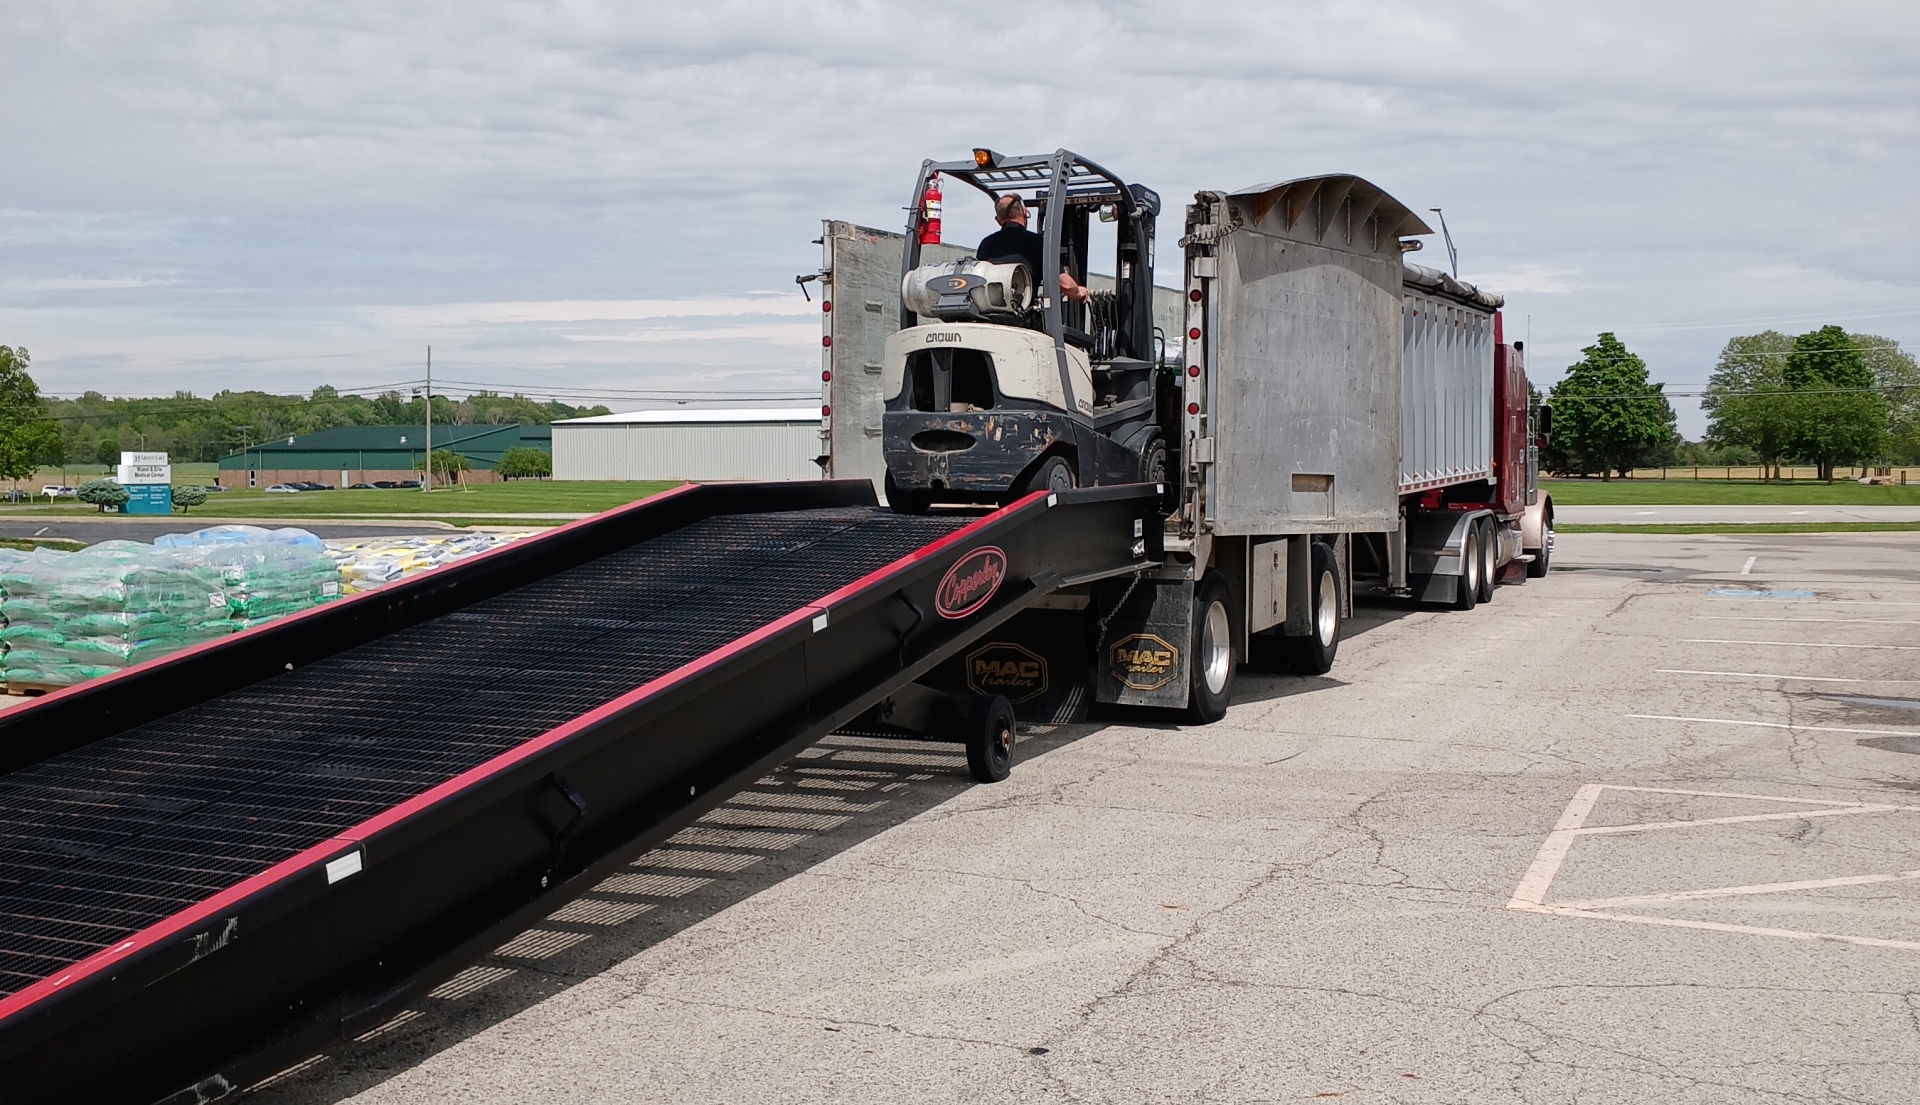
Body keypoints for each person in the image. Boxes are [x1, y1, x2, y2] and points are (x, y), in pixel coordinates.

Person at [976, 195, 1091, 304]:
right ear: (1024, 213)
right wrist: (1078, 292)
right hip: (1022, 312)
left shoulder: (985, 245)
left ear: (998, 220)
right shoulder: (1037, 242)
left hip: (988, 312)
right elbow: (1063, 283)